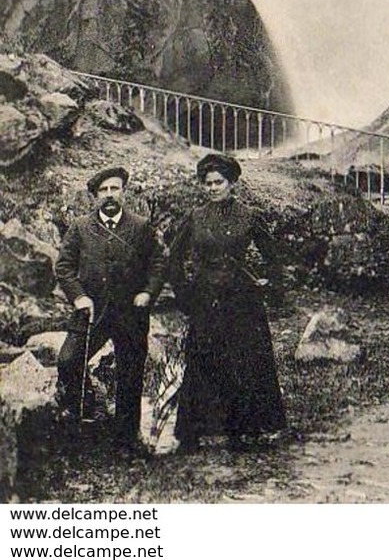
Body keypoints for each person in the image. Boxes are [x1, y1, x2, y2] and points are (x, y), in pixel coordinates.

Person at [169, 153, 287, 453]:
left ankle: (248, 429)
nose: (212, 188)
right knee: (203, 361)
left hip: (242, 301)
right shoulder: (194, 218)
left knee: (245, 362)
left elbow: (272, 256)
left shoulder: (248, 216)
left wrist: (271, 286)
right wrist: (183, 293)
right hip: (205, 300)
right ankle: (196, 431)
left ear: (232, 183)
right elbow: (173, 258)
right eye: (207, 183)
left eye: (218, 182)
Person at [55, 166, 166, 454]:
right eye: (103, 191)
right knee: (68, 360)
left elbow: (157, 264)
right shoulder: (79, 227)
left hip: (131, 313)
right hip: (92, 312)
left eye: (114, 189)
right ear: (94, 196)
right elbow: (63, 267)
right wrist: (78, 297)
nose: (109, 195)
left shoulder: (141, 226)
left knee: (130, 374)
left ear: (123, 191)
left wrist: (147, 292)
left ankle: (126, 438)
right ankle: (86, 416)